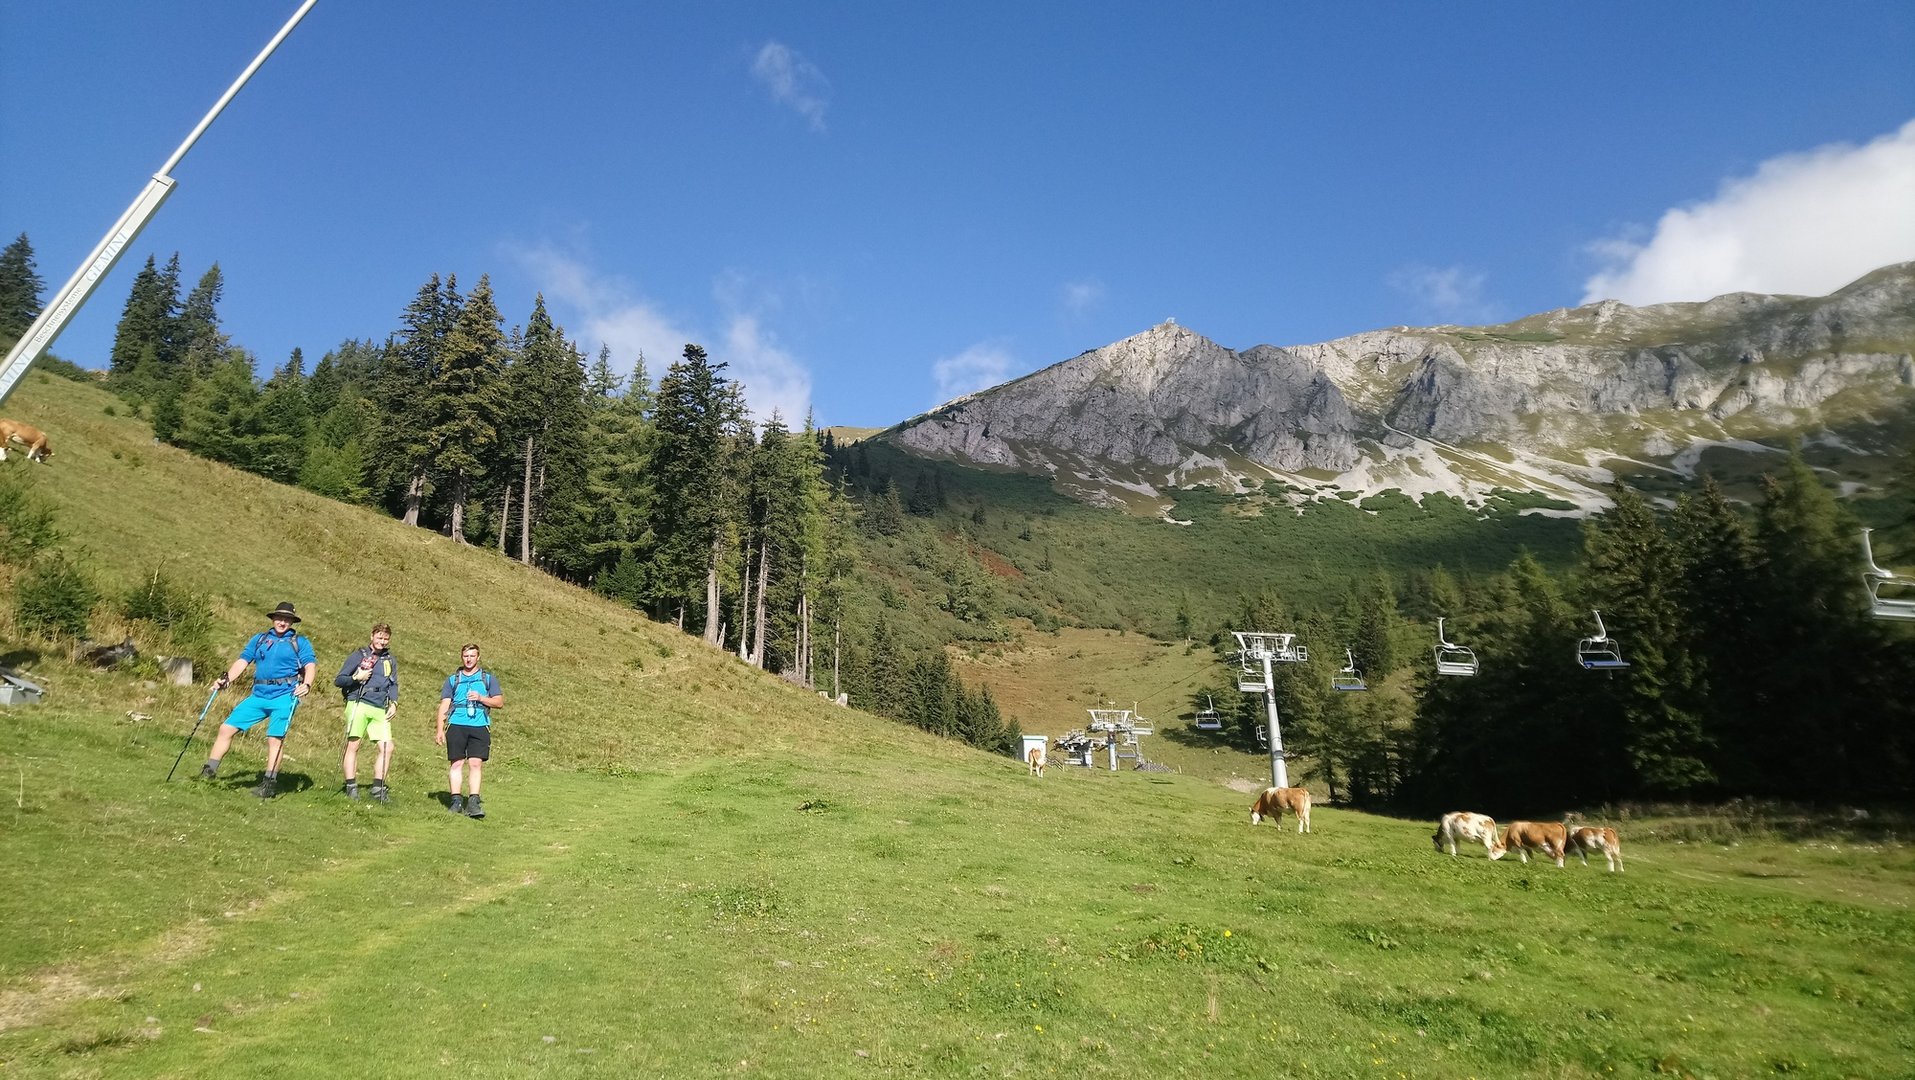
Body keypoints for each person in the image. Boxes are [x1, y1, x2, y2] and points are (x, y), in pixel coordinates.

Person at [199, 602, 318, 798]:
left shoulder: (300, 642)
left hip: (285, 696)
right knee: (226, 729)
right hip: (259, 695)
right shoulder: (260, 639)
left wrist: (307, 684)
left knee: (274, 739)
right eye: (279, 618)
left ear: (292, 622)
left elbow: (310, 665)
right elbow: (243, 661)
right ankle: (208, 772)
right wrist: (227, 680)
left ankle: (269, 783)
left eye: (287, 619)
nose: (282, 622)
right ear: (273, 619)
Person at [335, 622, 399, 803]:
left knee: (387, 747)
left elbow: (393, 684)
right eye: (379, 637)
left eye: (385, 639)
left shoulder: (390, 660)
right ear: (372, 636)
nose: (382, 642)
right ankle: (351, 786)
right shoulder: (359, 655)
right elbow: (339, 680)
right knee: (354, 745)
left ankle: (378, 789)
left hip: (380, 707)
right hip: (359, 703)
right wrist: (357, 678)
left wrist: (394, 703)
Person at [436, 643, 502, 818]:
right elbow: (444, 705)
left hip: (480, 726)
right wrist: (440, 730)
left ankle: (473, 802)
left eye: (472, 656)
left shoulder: (488, 679)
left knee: (475, 763)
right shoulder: (453, 680)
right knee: (456, 763)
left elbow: (499, 702)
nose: (469, 659)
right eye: (466, 656)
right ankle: (456, 801)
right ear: (461, 657)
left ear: (478, 657)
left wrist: (481, 698)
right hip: (456, 725)